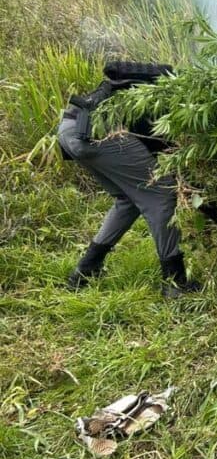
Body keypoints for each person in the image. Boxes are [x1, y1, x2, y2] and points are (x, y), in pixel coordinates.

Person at [58, 60, 204, 297]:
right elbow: (160, 147)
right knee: (162, 194)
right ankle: (175, 284)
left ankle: (84, 272)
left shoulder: (153, 82)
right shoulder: (170, 95)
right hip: (99, 132)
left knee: (127, 200)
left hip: (69, 129)